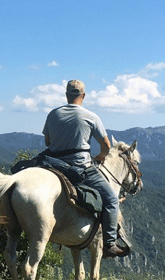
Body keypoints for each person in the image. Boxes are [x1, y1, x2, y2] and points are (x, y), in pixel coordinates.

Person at [42, 80, 126, 258]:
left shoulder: (53, 114)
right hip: (80, 167)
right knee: (111, 200)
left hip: (53, 165)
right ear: (83, 96)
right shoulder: (91, 116)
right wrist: (101, 157)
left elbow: (47, 142)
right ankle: (110, 243)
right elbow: (106, 145)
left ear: (66, 95)